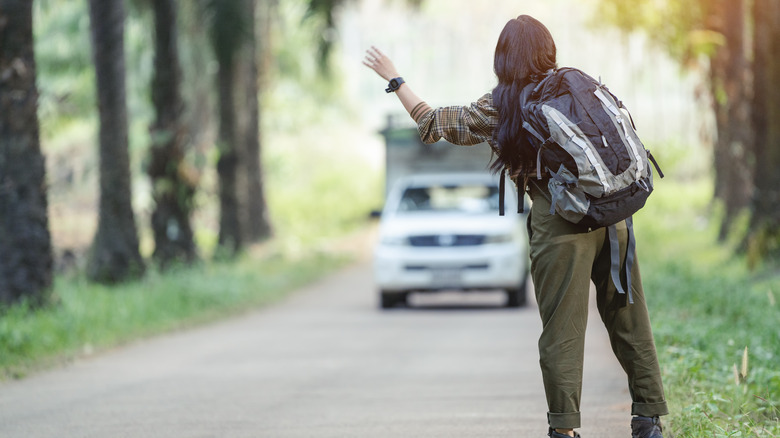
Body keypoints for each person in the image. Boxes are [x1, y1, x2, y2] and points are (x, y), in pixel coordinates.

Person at [363, 15, 668, 438]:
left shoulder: (501, 105)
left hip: (560, 220)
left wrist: (395, 79)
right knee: (630, 317)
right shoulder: (577, 87)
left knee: (563, 329)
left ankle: (564, 430)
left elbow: (432, 123)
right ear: (548, 49)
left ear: (502, 58)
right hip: (615, 215)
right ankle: (648, 419)